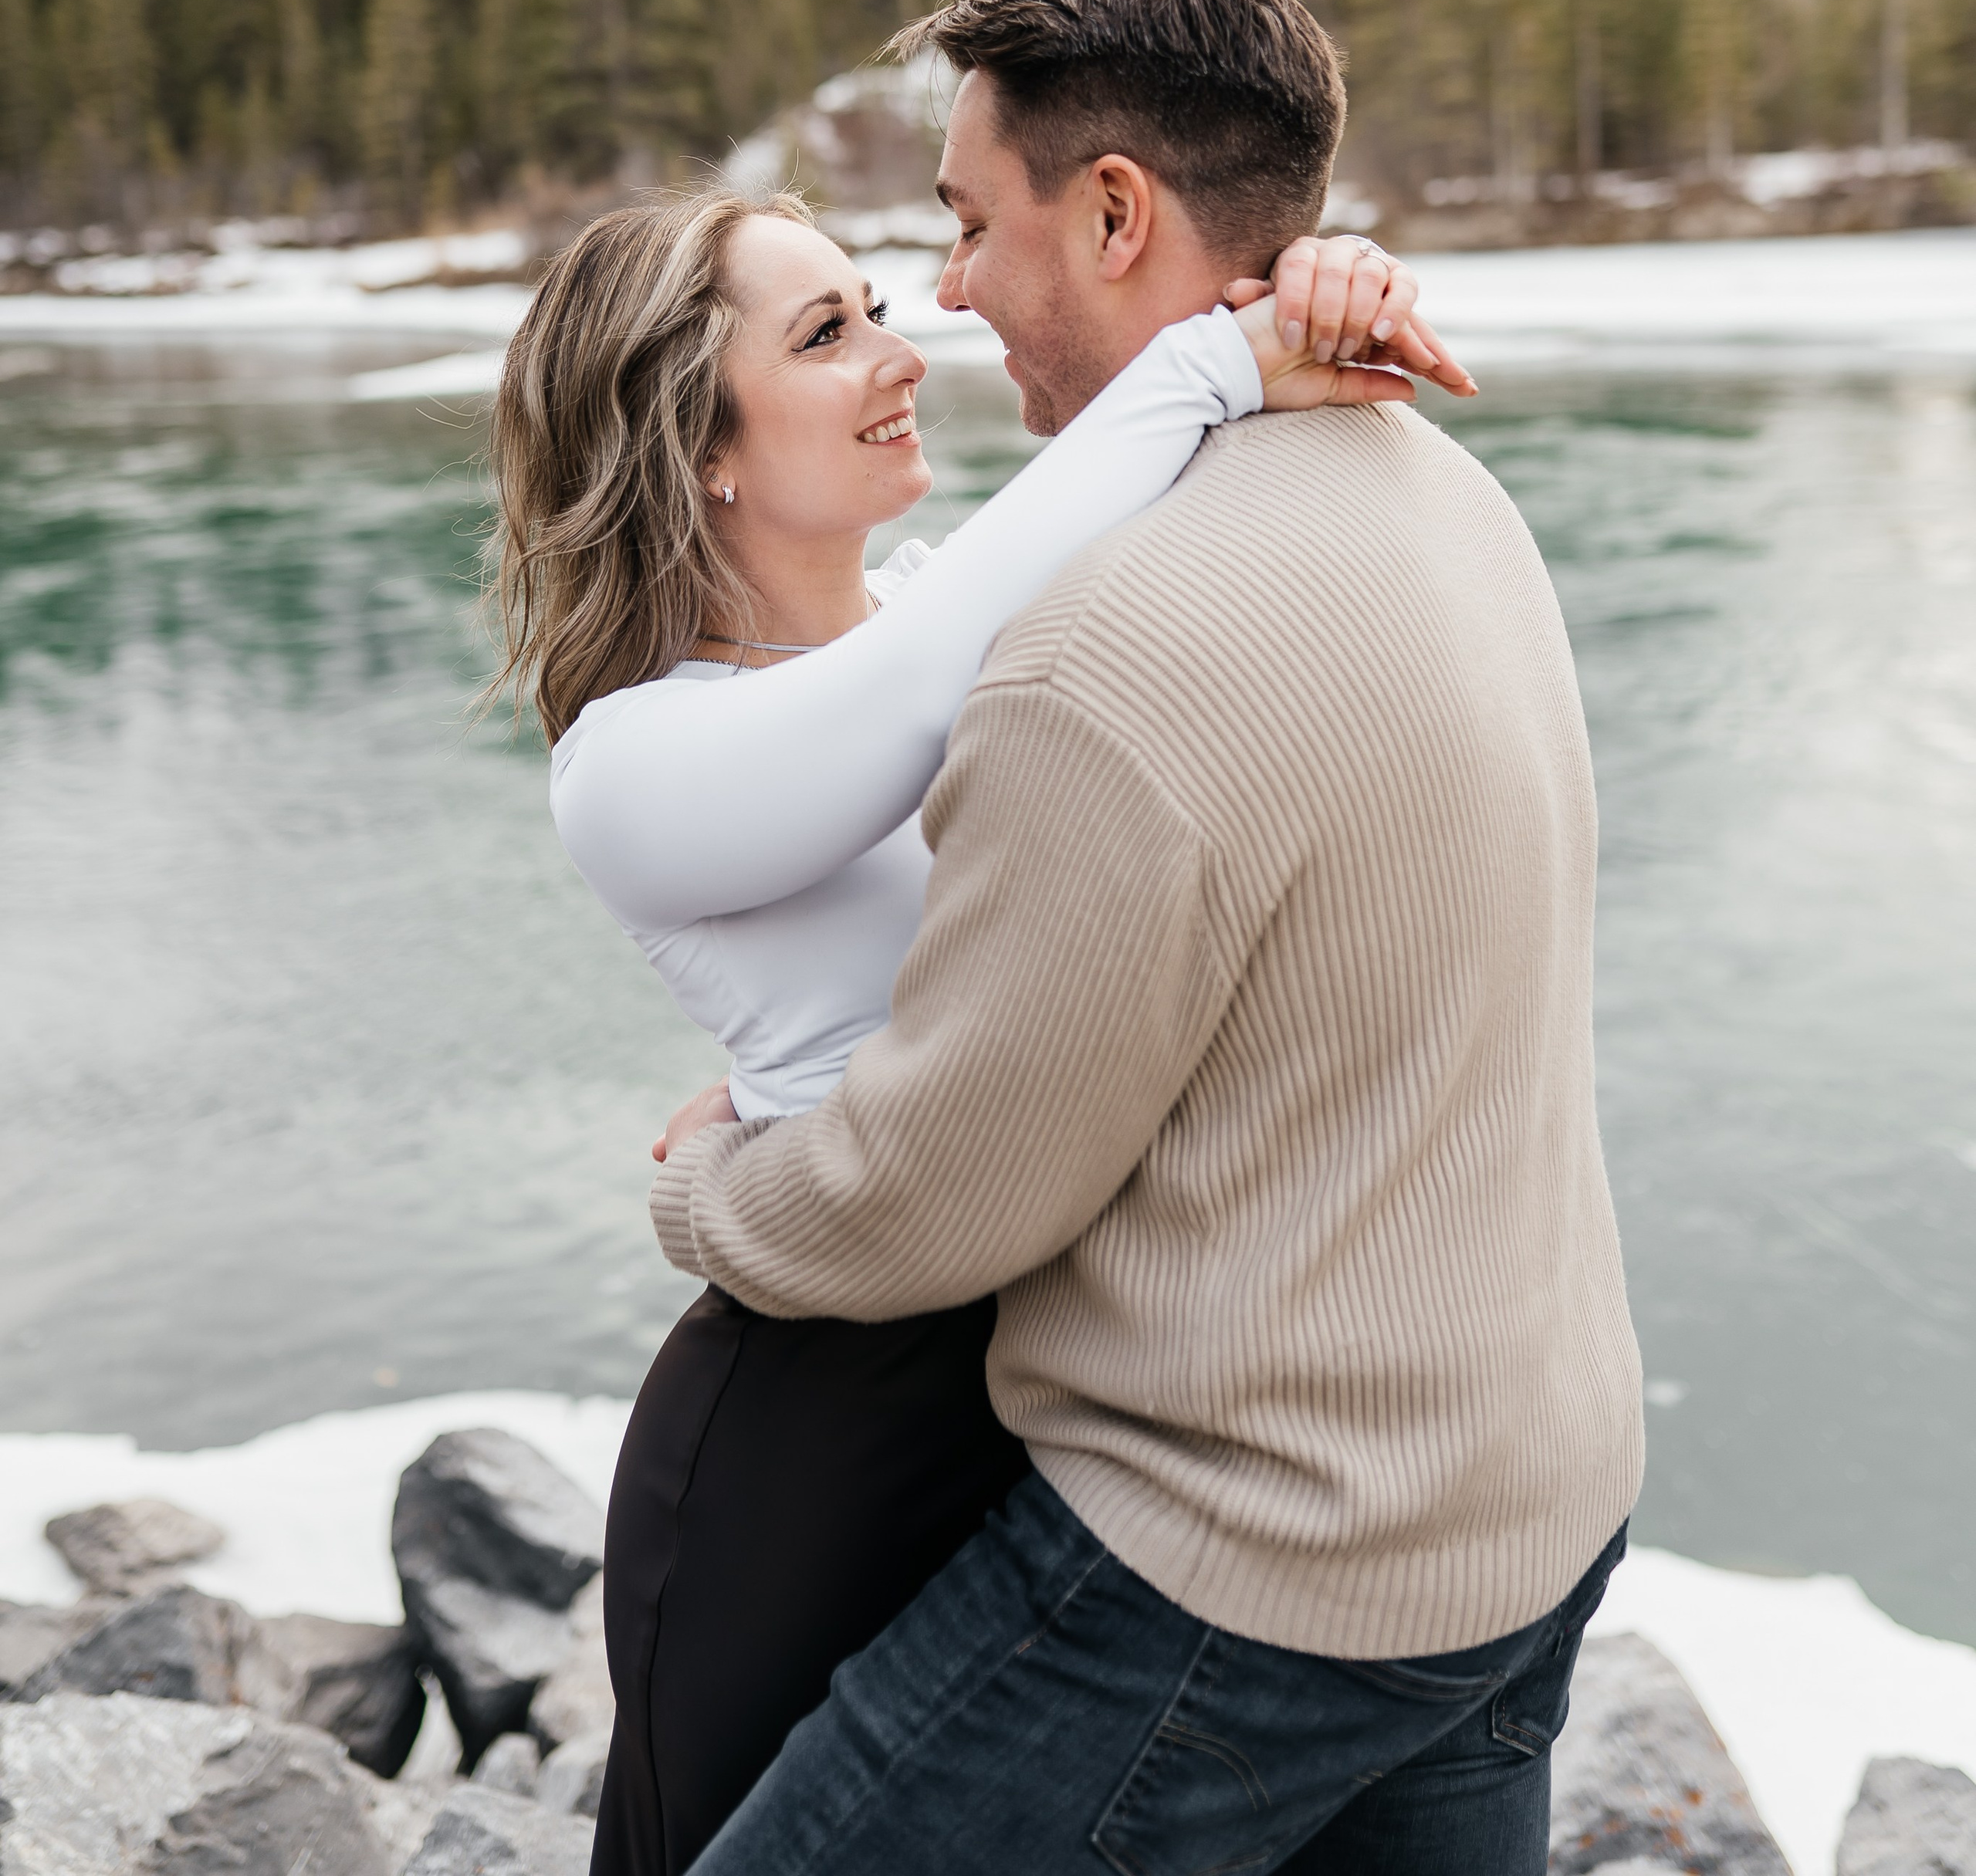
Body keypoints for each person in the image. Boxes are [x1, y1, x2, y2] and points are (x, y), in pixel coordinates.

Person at [648, 0, 1645, 1876]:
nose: (942, 292)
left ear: (1113, 217)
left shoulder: (1102, 657)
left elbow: (933, 1197)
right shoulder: (1445, 486)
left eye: (964, 221)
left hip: (1246, 1580)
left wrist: (704, 1192)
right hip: (1532, 1511)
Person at [489, 134, 1467, 1876]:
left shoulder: (958, 596)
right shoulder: (633, 761)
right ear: (691, 446)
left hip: (1078, 1408)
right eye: (822, 339)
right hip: (827, 1435)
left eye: (875, 306)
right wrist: (1199, 360)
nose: (897, 354)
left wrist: (1312, 292)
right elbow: (923, 694)